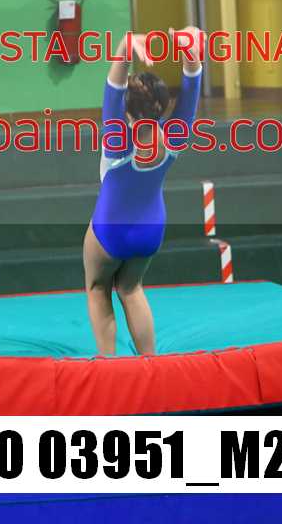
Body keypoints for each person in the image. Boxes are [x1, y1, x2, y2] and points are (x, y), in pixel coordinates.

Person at [84, 26, 203, 356]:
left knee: (97, 288)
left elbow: (112, 88)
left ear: (126, 110)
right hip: (150, 230)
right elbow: (192, 86)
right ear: (165, 106)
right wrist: (189, 52)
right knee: (131, 287)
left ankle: (108, 364)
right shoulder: (175, 135)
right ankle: (150, 363)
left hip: (110, 230)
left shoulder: (117, 140)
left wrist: (126, 46)